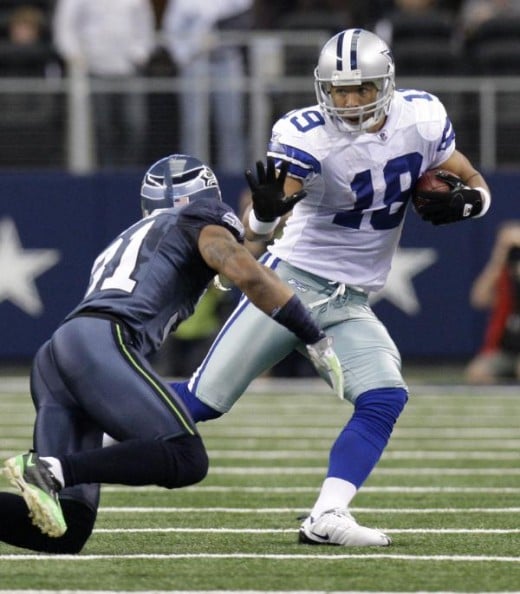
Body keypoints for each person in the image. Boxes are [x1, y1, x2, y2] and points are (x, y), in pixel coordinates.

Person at [170, 28, 492, 547]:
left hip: (349, 300)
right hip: (287, 286)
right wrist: (264, 217)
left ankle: (327, 515)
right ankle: (77, 442)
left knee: (385, 396)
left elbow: (470, 177)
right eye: (339, 90)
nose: (348, 100)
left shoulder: (422, 118)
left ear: (385, 84)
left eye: (362, 88)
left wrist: (473, 203)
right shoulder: (306, 134)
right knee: (203, 402)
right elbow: (262, 220)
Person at [0, 154, 342, 554]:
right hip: (101, 344)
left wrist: (261, 225)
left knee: (64, 530)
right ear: (205, 200)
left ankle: (52, 473)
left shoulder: (136, 236)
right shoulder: (201, 218)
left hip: (58, 356)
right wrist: (313, 334)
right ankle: (51, 470)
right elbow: (244, 269)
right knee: (185, 457)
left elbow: (227, 248)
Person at [52, 0, 156, 168]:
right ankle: (106, 174)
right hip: (94, 70)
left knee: (135, 124)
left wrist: (140, 53)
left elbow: (145, 26)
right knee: (102, 127)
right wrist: (74, 54)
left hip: (129, 69)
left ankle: (129, 173)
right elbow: (65, 27)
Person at [161, 0, 252, 174]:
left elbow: (246, 17)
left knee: (232, 124)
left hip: (227, 60)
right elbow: (170, 31)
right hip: (195, 62)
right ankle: (192, 175)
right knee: (194, 126)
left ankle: (234, 174)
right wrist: (188, 54)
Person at [465, 221, 520, 384]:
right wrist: (501, 253)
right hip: (505, 350)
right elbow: (479, 298)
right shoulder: (504, 276)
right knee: (478, 372)